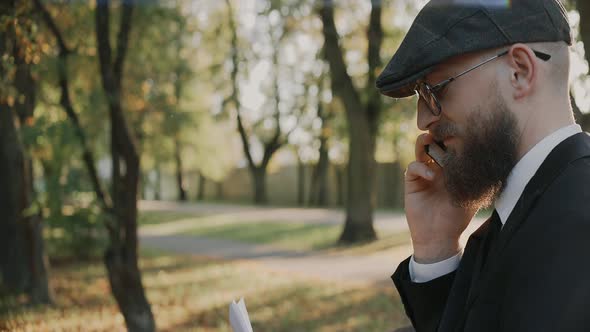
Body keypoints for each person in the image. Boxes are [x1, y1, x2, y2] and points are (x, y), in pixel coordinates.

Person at [376, 0, 590, 331]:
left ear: (519, 71)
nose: (423, 120)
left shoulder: (579, 221)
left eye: (434, 90)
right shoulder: (522, 211)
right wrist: (437, 249)